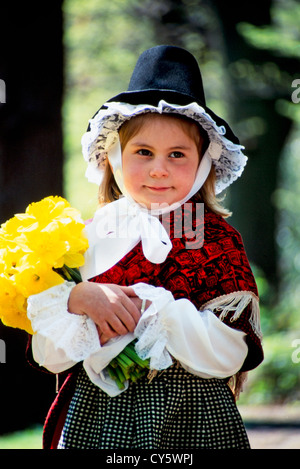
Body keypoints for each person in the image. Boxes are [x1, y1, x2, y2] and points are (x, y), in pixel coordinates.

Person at [27, 45, 263, 449]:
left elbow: (230, 351)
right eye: (143, 153)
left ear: (204, 163)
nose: (159, 169)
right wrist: (78, 298)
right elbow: (49, 355)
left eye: (177, 154)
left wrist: (159, 313)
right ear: (114, 159)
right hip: (97, 421)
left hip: (190, 419)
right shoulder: (85, 238)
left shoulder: (215, 240)